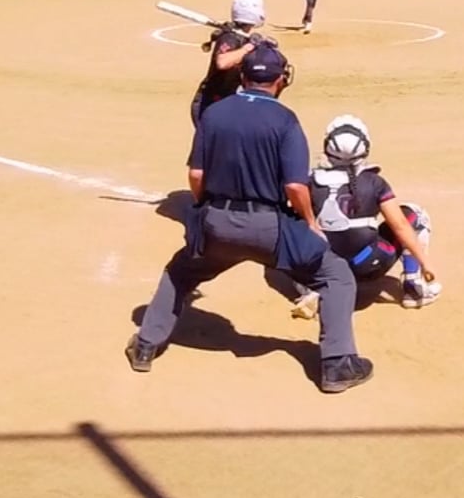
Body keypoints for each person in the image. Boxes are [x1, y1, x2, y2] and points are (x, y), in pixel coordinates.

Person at [127, 44, 375, 394]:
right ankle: (337, 365)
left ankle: (145, 345)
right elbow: (294, 187)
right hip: (270, 229)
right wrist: (310, 222)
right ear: (281, 80)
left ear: (242, 76)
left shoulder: (214, 114)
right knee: (336, 275)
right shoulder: (285, 120)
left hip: (217, 224)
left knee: (180, 272)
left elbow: (196, 175)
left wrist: (205, 209)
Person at [288, 115, 441, 321]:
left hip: (323, 266)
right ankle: (414, 288)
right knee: (415, 215)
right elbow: (400, 226)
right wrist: (425, 263)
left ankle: (314, 288)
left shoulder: (309, 181)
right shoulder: (375, 182)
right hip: (366, 264)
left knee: (294, 228)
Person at [189, 0, 270, 126]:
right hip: (210, 104)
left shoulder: (243, 38)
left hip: (227, 102)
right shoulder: (230, 37)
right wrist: (249, 47)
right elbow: (222, 62)